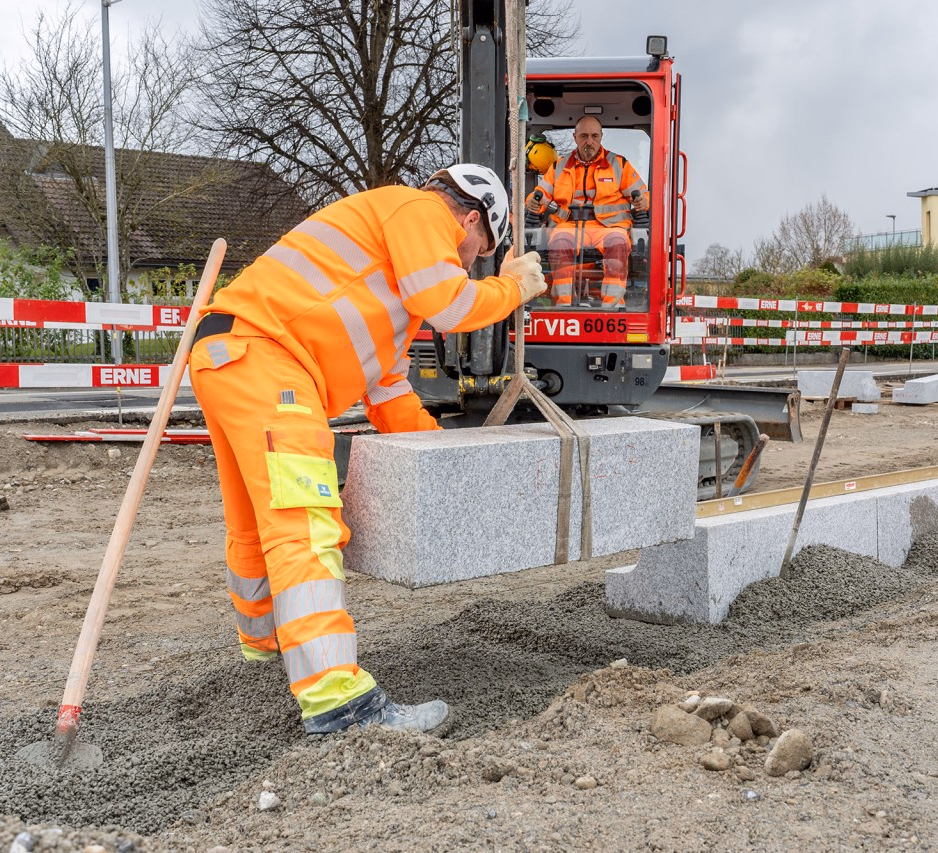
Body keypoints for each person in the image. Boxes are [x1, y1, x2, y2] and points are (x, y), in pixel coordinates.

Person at [188, 164, 545, 735]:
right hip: (269, 357)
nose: (475, 261)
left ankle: (263, 650)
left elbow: (390, 396)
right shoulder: (421, 210)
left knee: (257, 522)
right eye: (481, 251)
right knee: (306, 523)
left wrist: (453, 459)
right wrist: (512, 289)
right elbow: (451, 305)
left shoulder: (386, 295)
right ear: (471, 217)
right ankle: (338, 701)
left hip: (232, 356)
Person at [525, 116, 650, 307]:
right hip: (569, 226)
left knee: (618, 243)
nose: (589, 141)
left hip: (610, 226)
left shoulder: (619, 164)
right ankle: (563, 305)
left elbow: (644, 195)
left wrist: (643, 201)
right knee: (560, 242)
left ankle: (613, 306)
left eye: (594, 136)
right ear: (575, 137)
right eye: (584, 136)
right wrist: (534, 204)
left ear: (601, 137)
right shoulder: (559, 166)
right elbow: (540, 194)